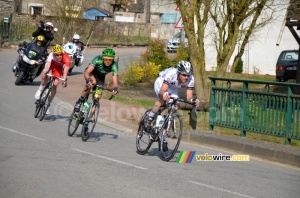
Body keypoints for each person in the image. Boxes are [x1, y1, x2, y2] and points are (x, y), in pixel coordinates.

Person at [144, 60, 200, 151]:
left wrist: (193, 100)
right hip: (161, 83)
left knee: (174, 108)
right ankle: (149, 118)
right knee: (162, 100)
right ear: (178, 73)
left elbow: (189, 96)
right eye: (184, 75)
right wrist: (165, 94)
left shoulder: (191, 79)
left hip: (173, 87)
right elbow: (162, 90)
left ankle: (164, 138)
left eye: (188, 75)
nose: (186, 77)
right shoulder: (171, 74)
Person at [73, 48, 119, 133]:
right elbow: (87, 72)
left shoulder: (114, 65)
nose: (108, 61)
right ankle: (80, 100)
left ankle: (87, 122)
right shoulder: (97, 59)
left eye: (110, 60)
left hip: (101, 78)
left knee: (97, 98)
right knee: (92, 83)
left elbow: (115, 80)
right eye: (106, 59)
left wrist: (115, 88)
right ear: (102, 58)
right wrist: (88, 80)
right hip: (91, 73)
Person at [34, 45, 71, 115]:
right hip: (52, 66)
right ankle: (39, 90)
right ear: (54, 54)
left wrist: (64, 80)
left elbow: (65, 72)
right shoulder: (51, 55)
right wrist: (45, 71)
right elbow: (47, 64)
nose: (59, 56)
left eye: (60, 54)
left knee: (55, 84)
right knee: (46, 76)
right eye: (57, 55)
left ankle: (48, 105)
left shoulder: (67, 58)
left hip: (59, 69)